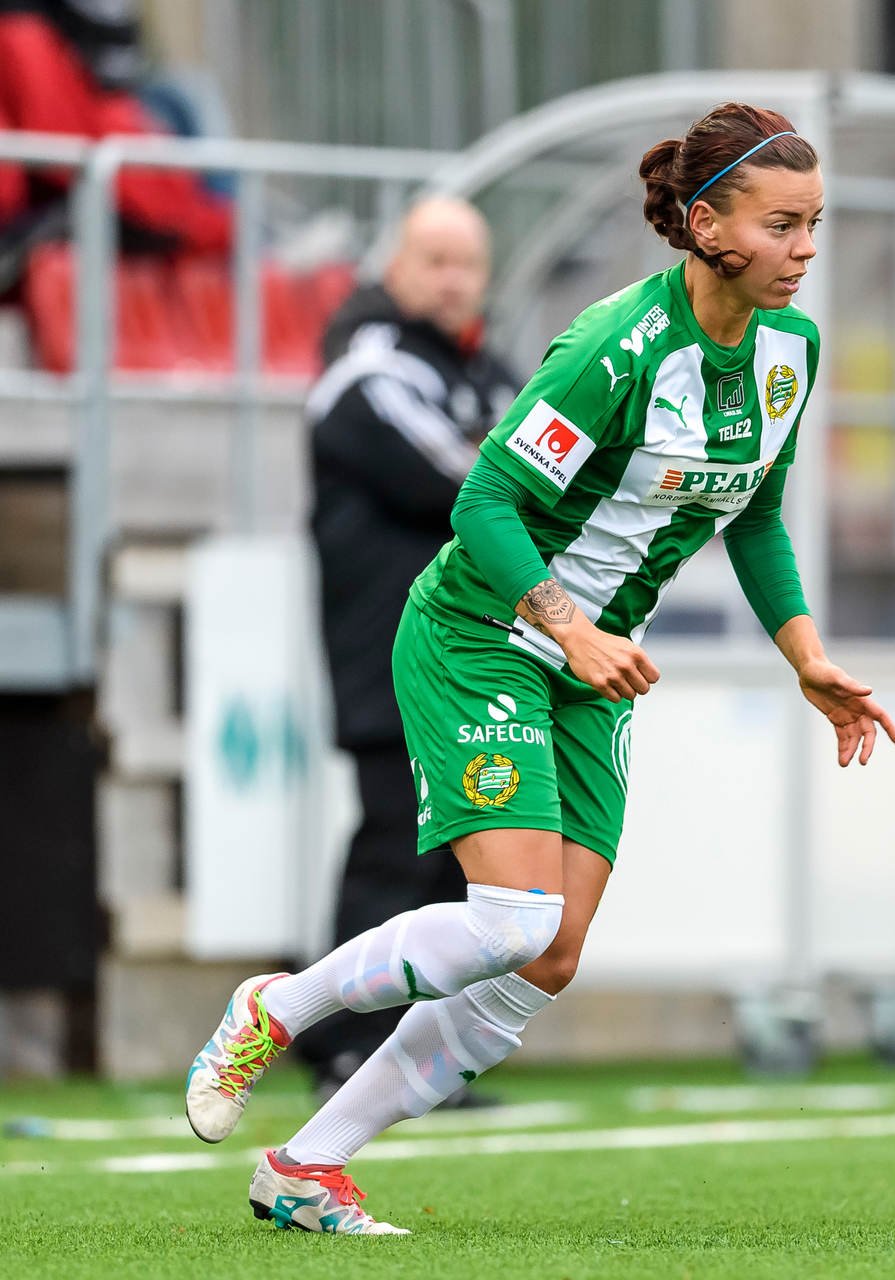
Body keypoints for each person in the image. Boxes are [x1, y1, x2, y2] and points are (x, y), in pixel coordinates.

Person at [182, 102, 895, 1235]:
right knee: (513, 918)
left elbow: (754, 513)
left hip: (586, 662)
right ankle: (276, 1006)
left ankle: (305, 1166)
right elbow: (482, 505)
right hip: (482, 634)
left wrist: (806, 655)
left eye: (814, 225)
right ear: (707, 224)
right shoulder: (615, 347)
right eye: (780, 226)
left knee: (549, 955)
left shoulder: (789, 354)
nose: (804, 250)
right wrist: (569, 626)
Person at [300, 195, 519, 1104]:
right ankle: (341, 1045)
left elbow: (543, 474)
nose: (451, 278)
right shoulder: (367, 369)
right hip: (389, 653)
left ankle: (415, 1060)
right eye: (433, 259)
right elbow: (465, 483)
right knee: (396, 844)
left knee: (453, 858)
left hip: (474, 657)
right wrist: (510, 480)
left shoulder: (492, 374)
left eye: (467, 261)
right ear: (394, 267)